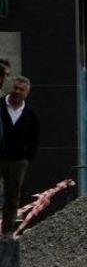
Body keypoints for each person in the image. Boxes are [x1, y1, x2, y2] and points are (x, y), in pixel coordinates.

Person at [1, 76, 40, 238]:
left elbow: (34, 139)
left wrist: (26, 160)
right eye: (15, 88)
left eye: (21, 90)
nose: (17, 92)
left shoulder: (30, 114)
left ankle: (7, 231)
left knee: (13, 196)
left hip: (18, 162)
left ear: (27, 93)